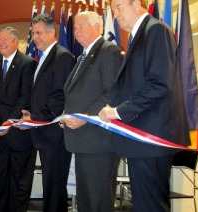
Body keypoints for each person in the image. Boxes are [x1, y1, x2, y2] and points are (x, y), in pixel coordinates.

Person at [98, 0, 191, 211]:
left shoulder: (155, 30)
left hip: (152, 137)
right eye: (113, 11)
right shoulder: (139, 35)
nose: (115, 15)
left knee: (150, 206)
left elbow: (160, 84)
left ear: (135, 4)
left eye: (119, 8)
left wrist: (119, 111)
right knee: (144, 204)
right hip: (142, 137)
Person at [61, 11, 123, 212]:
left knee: (98, 202)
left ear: (98, 27)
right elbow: (77, 95)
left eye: (81, 26)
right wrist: (66, 115)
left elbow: (112, 92)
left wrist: (85, 118)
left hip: (98, 142)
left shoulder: (108, 51)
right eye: (75, 27)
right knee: (86, 201)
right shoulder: (83, 56)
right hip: (82, 141)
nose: (76, 31)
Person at [21, 14, 75, 212]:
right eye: (34, 33)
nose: (35, 37)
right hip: (44, 134)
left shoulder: (62, 57)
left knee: (54, 188)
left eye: (39, 33)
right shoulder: (43, 58)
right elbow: (42, 94)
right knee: (51, 188)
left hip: (54, 135)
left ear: (52, 32)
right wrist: (30, 110)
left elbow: (60, 96)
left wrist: (35, 117)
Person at [0, 26, 37, 212]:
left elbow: (25, 97)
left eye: (5, 39)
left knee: (19, 181)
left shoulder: (27, 63)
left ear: (16, 42)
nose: (1, 42)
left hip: (17, 134)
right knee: (1, 177)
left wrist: (8, 122)